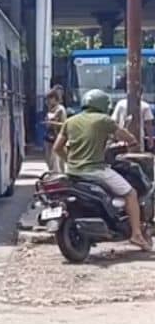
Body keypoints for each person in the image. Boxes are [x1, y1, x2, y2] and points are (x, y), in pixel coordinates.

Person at [54, 89, 151, 250]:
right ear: (103, 105)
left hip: (72, 171)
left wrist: (70, 161)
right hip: (95, 170)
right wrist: (132, 141)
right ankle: (136, 234)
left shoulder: (70, 121)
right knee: (130, 193)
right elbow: (126, 136)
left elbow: (57, 148)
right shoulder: (104, 120)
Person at [44, 89, 67, 173]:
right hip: (49, 137)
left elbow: (64, 124)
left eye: (50, 99)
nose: (48, 101)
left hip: (58, 138)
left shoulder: (60, 109)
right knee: (49, 160)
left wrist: (53, 123)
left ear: (54, 98)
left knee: (57, 162)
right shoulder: (51, 109)